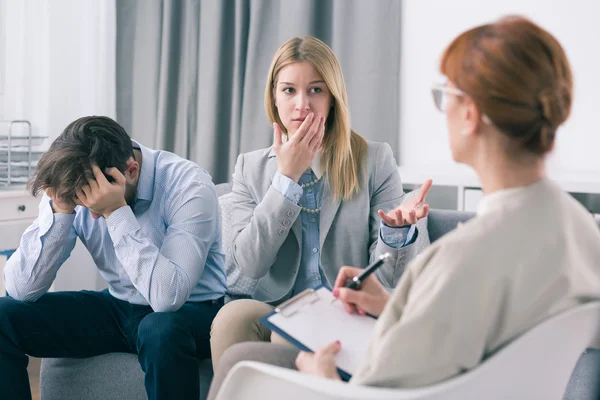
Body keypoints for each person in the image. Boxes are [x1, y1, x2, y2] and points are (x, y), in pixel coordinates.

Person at [207, 16, 600, 398]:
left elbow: (375, 387)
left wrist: (322, 378)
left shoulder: (458, 258)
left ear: (470, 116)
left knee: (243, 362)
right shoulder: (582, 231)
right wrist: (391, 302)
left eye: (445, 94)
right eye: (288, 90)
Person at [209, 36, 432, 369]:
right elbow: (249, 265)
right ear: (274, 96)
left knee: (292, 335)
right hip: (278, 304)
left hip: (344, 305)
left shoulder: (373, 160)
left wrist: (395, 235)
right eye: (289, 90)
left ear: (332, 98)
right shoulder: (249, 166)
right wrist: (287, 179)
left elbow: (388, 282)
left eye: (316, 90)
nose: (302, 105)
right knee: (231, 318)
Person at [0, 116, 227, 400]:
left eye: (95, 204)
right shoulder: (74, 178)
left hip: (192, 312)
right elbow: (20, 290)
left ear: (130, 171)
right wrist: (60, 209)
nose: (91, 213)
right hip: (119, 307)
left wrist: (116, 212)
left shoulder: (188, 184)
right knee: (3, 315)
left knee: (159, 328)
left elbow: (168, 297)